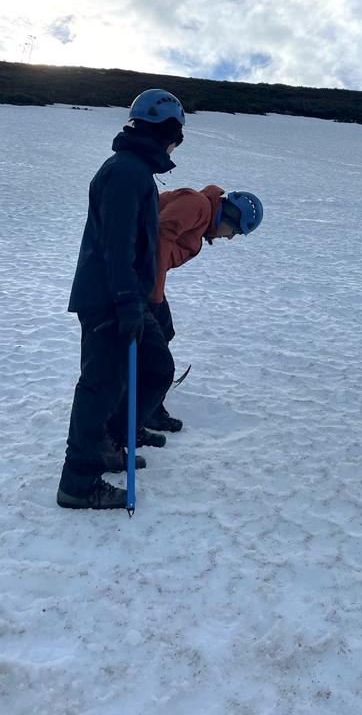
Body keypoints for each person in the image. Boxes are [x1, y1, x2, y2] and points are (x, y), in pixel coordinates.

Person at [57, 89, 186, 509]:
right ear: (164, 131)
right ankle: (78, 483)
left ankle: (109, 443)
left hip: (125, 296)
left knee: (153, 366)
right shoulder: (126, 172)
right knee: (101, 384)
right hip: (111, 297)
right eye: (175, 136)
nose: (174, 146)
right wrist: (128, 299)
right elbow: (117, 243)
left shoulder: (136, 172)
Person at [143, 187, 264, 432]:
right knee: (158, 361)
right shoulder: (198, 205)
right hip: (136, 281)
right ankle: (134, 418)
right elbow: (159, 236)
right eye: (236, 231)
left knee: (164, 331)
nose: (230, 238)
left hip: (145, 281)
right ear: (228, 215)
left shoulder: (201, 220)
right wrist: (153, 298)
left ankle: (149, 409)